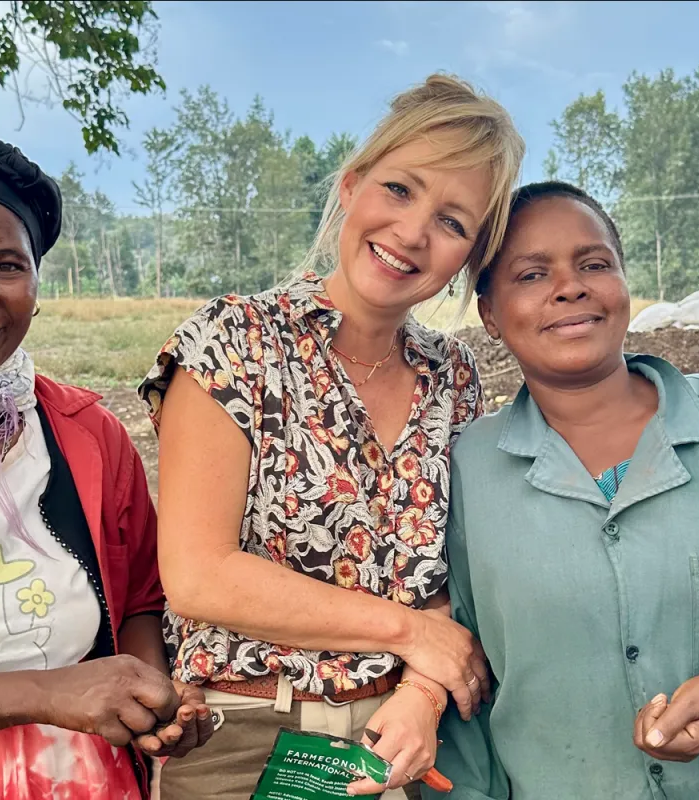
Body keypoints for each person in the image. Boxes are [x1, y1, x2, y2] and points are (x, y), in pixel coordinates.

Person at [138, 73, 525, 799]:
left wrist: (424, 694)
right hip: (246, 739)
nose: (412, 233)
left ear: (469, 259)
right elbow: (198, 573)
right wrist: (409, 634)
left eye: (452, 222)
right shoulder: (236, 340)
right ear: (351, 186)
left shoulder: (454, 375)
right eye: (400, 189)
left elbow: (457, 569)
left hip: (409, 743)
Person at [0, 119, 213, 799]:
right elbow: (60, 692)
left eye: (7, 265)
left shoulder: (88, 436)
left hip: (82, 778)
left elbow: (140, 598)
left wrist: (148, 697)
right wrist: (47, 693)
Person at [427, 181, 699, 799]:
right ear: (489, 313)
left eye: (593, 264)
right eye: (532, 275)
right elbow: (464, 677)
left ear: (622, 282)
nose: (570, 287)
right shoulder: (467, 469)